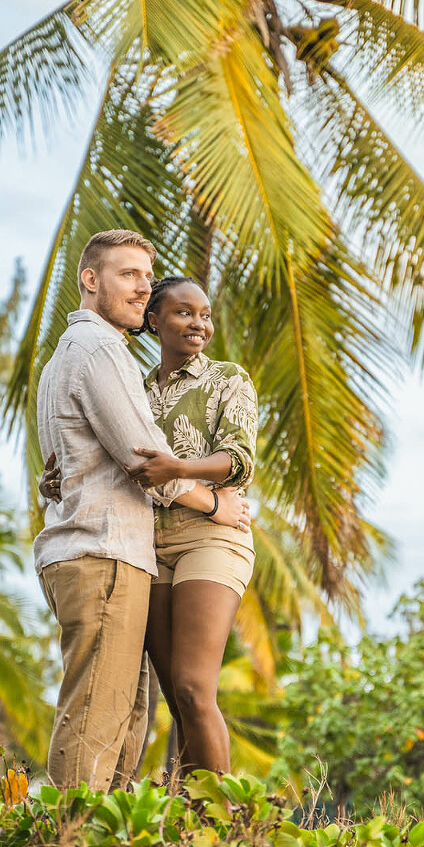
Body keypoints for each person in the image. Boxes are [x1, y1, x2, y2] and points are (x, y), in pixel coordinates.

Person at [34, 230, 249, 790]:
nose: (140, 286)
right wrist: (211, 502)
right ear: (91, 280)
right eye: (128, 275)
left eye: (144, 277)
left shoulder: (65, 358)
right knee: (105, 712)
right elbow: (140, 457)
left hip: (129, 550)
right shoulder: (106, 354)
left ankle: (162, 834)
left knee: (141, 704)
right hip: (110, 548)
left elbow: (68, 465)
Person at [127, 276, 257, 777]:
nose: (198, 324)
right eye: (184, 313)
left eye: (204, 314)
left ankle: (224, 827)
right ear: (153, 320)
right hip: (149, 544)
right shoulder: (134, 391)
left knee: (193, 687)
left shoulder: (228, 378)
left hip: (212, 537)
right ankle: (192, 828)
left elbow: (240, 461)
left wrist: (179, 468)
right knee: (178, 702)